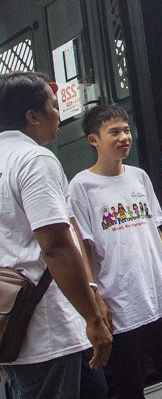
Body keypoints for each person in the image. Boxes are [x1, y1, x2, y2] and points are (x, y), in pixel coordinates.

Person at [67, 104, 162, 399]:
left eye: (126, 130)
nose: (124, 137)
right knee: (129, 387)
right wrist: (95, 297)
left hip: (161, 298)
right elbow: (82, 247)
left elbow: (155, 229)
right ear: (93, 139)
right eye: (114, 132)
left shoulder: (139, 177)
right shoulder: (81, 187)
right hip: (120, 305)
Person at [0, 72, 112, 398]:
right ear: (32, 116)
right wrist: (93, 317)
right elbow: (57, 247)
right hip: (48, 332)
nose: (58, 115)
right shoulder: (33, 159)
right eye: (52, 106)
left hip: (13, 326)